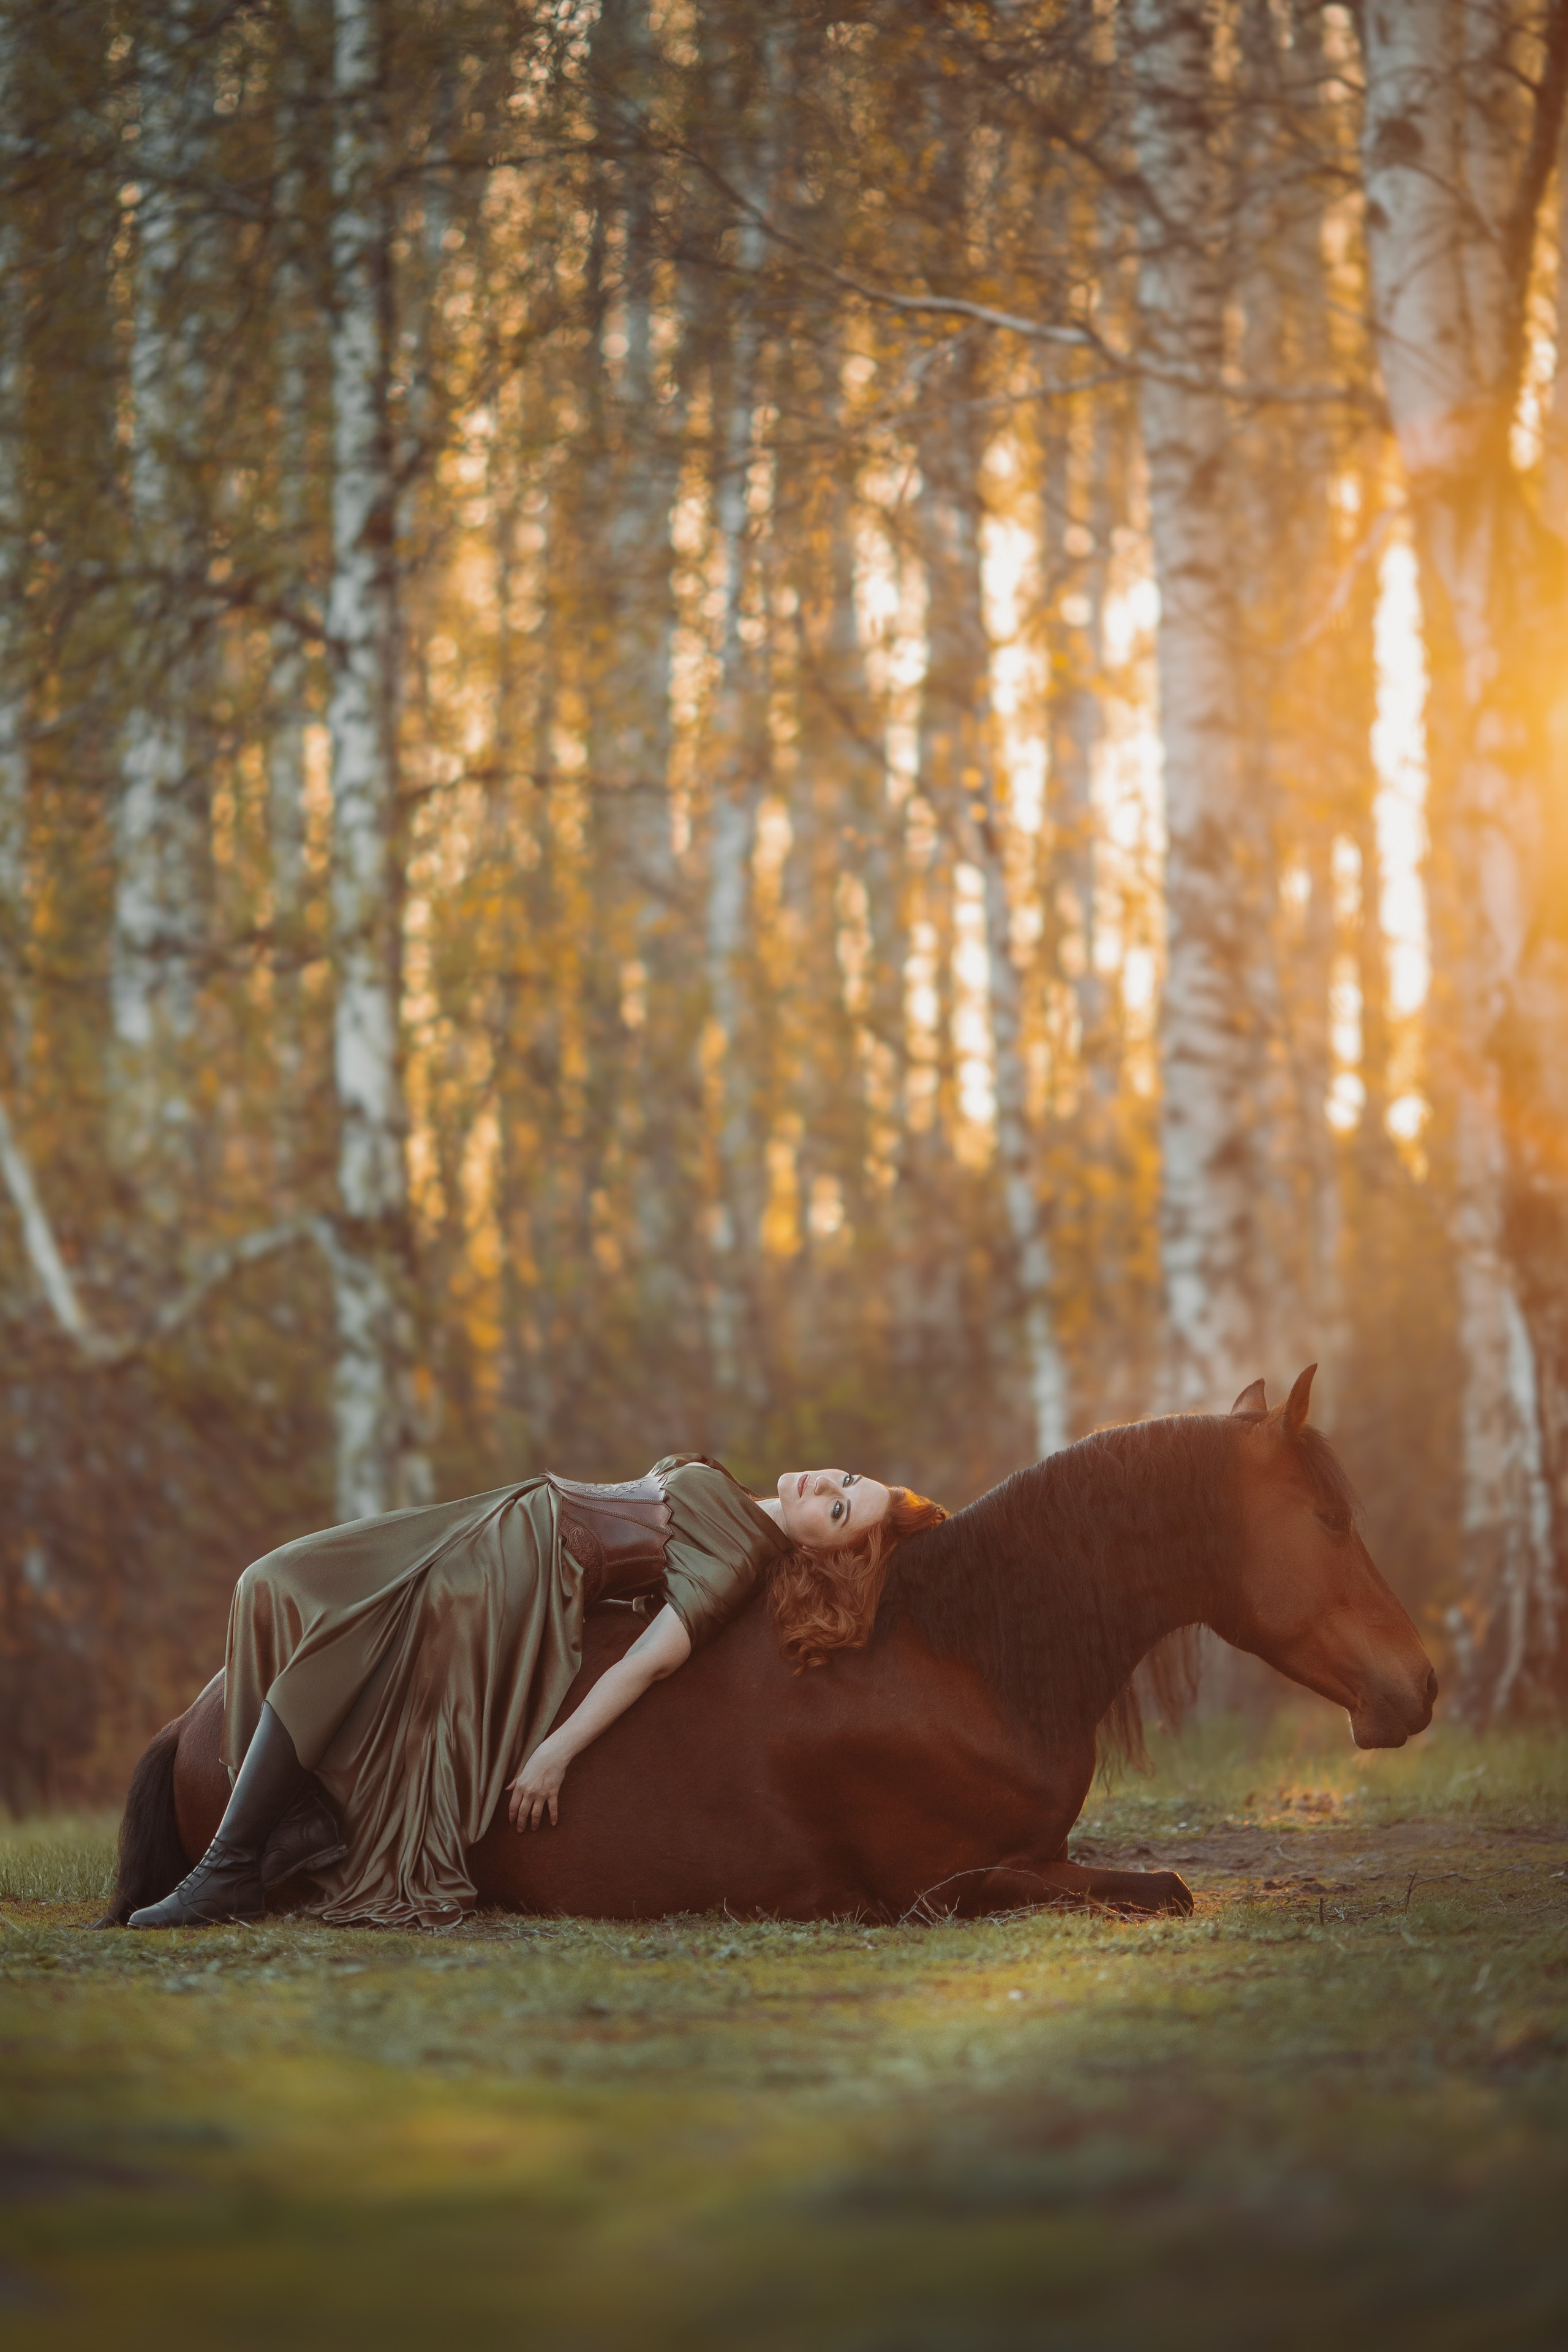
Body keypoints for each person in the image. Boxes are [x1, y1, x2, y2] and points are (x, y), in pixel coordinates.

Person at [127, 1456, 946, 1932]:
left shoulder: (739, 1556)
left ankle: (229, 1867)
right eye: (844, 1479)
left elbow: (649, 1662)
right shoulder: (739, 1498)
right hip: (498, 1519)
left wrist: (554, 1754)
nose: (822, 1488)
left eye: (838, 1511)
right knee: (270, 1579)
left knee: (346, 1636)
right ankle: (294, 1817)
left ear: (826, 1551)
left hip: (517, 1577)